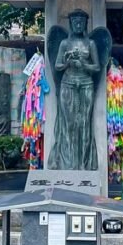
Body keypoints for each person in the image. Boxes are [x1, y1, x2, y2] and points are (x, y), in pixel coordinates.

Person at [48, 9, 100, 170]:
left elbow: (97, 67)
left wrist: (83, 65)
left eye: (81, 21)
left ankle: (83, 164)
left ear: (85, 24)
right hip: (67, 84)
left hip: (86, 84)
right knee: (69, 124)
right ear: (71, 23)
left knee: (84, 124)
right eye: (75, 21)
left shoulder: (90, 43)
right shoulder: (64, 43)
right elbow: (57, 66)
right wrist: (67, 62)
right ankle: (67, 164)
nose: (78, 24)